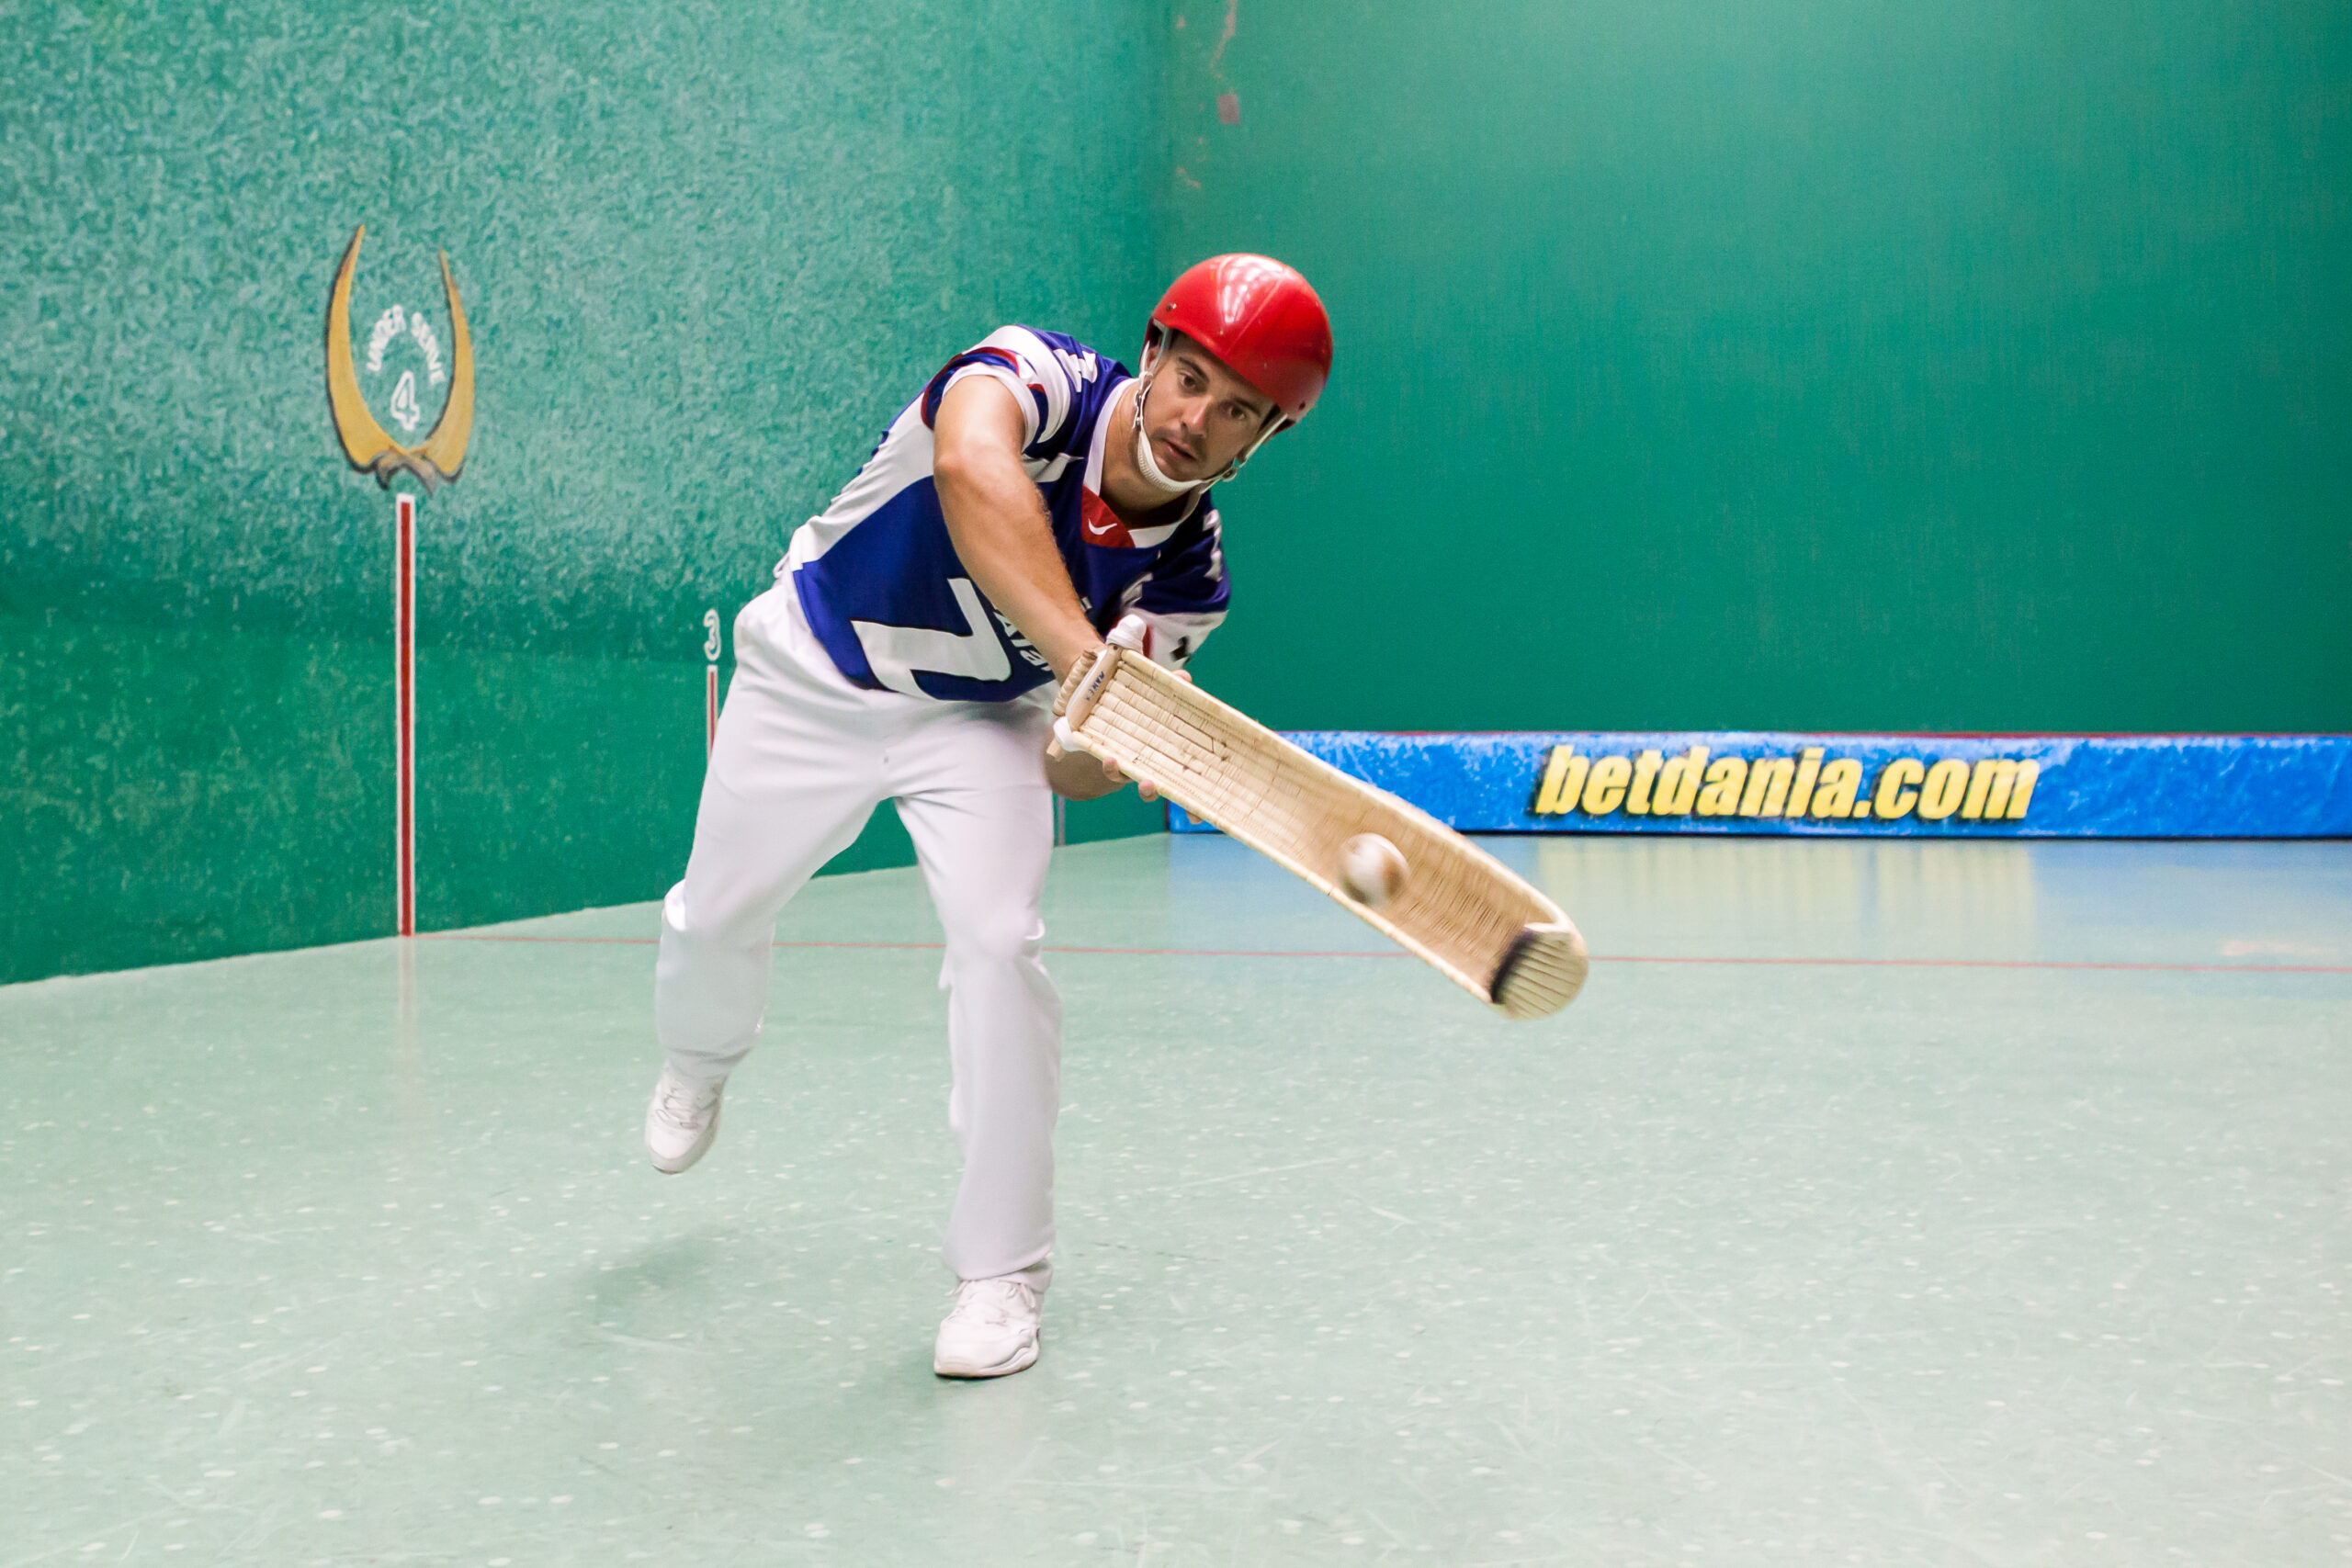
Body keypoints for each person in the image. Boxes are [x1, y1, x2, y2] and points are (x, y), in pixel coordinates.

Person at [643, 254, 1333, 1378]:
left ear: (1263, 441)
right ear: (1152, 355)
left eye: (1240, 411)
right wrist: (1091, 670)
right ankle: (700, 1056)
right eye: (1192, 378)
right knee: (716, 914)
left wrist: (1123, 741)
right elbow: (969, 467)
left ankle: (1001, 1277)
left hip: (980, 727)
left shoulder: (1188, 579)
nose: (1198, 418)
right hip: (814, 665)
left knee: (1001, 947)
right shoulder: (1034, 375)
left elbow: (1068, 769)